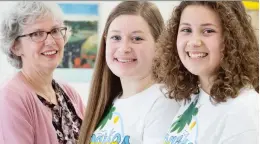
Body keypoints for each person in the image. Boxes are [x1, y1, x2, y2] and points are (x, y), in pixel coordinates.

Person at [152, 1, 259, 144]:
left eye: (208, 31)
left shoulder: (244, 109)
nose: (194, 42)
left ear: (232, 39)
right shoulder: (194, 97)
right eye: (186, 30)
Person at [78, 1, 180, 144]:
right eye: (116, 38)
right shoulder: (112, 101)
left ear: (159, 43)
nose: (124, 48)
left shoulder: (164, 102)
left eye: (137, 38)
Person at [0, 2, 85, 144]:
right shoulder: (10, 99)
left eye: (55, 31)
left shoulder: (69, 93)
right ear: (15, 47)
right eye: (37, 34)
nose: (51, 41)